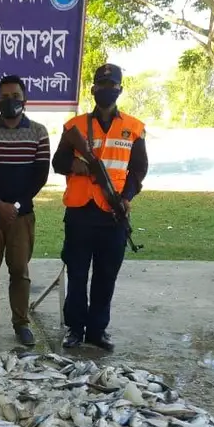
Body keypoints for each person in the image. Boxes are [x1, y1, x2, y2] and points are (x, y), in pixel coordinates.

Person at [51, 63, 148, 353]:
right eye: (101, 85)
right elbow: (58, 163)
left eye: (113, 86)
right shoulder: (75, 127)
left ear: (120, 89)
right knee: (78, 275)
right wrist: (78, 167)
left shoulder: (134, 127)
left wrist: (128, 196)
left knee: (106, 276)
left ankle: (97, 331)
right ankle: (74, 330)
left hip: (113, 213)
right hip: (80, 212)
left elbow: (138, 170)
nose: (107, 90)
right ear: (92, 89)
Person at [0, 75, 51, 347]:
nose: (10, 101)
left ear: (25, 99)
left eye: (15, 96)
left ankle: (21, 324)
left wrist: (13, 206)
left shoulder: (39, 132)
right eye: (4, 97)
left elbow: (39, 176)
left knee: (20, 271)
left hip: (21, 216)